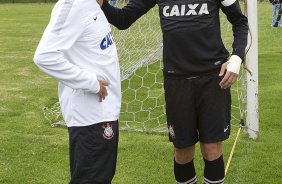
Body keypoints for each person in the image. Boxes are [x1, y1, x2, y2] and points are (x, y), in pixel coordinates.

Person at [97, 0, 248, 183]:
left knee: (212, 149)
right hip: (177, 81)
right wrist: (102, 4)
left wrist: (237, 56)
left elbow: (240, 21)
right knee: (182, 151)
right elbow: (123, 19)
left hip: (213, 79)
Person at [34, 0, 121, 183]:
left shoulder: (94, 5)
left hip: (105, 113)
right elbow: (44, 56)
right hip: (89, 118)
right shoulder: (74, 4)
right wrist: (91, 82)